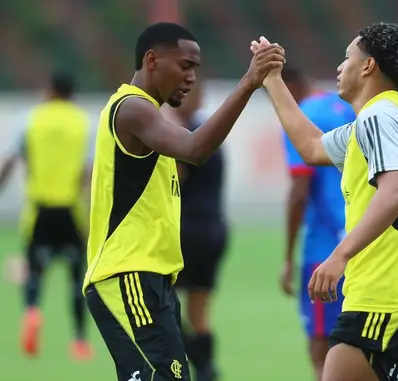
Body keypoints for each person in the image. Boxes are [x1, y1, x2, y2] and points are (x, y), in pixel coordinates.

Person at [82, 22, 284, 381]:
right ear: (152, 60)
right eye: (185, 65)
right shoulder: (131, 108)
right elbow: (195, 149)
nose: (191, 77)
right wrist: (249, 83)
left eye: (196, 68)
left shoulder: (149, 116)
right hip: (128, 277)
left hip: (152, 279)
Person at [252, 22, 398, 381]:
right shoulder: (378, 119)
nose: (339, 67)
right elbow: (311, 147)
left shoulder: (377, 116)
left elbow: (396, 191)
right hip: (392, 292)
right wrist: (272, 78)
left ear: (368, 66)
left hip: (384, 294)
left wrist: (338, 256)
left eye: (347, 57)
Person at [0, 72, 93, 360]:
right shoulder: (82, 124)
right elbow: (88, 172)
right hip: (71, 211)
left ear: (50, 91)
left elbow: (11, 161)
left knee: (35, 272)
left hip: (39, 209)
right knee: (77, 278)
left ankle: (31, 312)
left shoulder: (31, 120)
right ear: (72, 94)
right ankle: (79, 343)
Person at [278, 63, 355, 381]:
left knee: (322, 348)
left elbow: (299, 192)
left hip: (324, 249)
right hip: (361, 240)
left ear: (288, 86)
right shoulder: (346, 109)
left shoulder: (302, 117)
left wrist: (287, 256)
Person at [161, 82, 228, 381]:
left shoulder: (181, 137)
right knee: (199, 312)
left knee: (163, 307)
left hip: (185, 231)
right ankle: (207, 371)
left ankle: (183, 369)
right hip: (214, 228)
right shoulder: (209, 134)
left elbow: (176, 177)